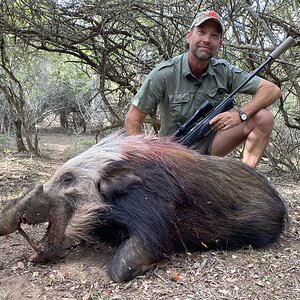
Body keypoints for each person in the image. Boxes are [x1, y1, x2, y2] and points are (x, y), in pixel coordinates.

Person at [124, 10, 281, 168]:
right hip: (175, 152)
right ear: (188, 36)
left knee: (264, 117)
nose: (206, 40)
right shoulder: (164, 73)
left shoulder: (224, 71)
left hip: (211, 144)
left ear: (220, 43)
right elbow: (132, 119)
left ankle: (244, 179)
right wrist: (146, 161)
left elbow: (271, 90)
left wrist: (240, 115)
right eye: (201, 32)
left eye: (214, 35)